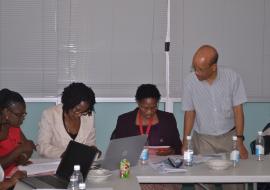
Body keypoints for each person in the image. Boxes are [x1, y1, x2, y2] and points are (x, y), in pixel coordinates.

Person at [181, 45, 248, 190]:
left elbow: (238, 112)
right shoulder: (189, 82)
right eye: (194, 67)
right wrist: (185, 142)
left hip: (230, 138)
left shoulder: (232, 77)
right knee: (204, 184)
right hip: (203, 140)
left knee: (235, 182)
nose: (196, 72)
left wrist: (240, 141)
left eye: (200, 69)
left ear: (213, 67)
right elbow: (190, 113)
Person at [111, 84, 182, 190]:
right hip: (133, 170)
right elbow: (116, 151)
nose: (149, 112)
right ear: (138, 103)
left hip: (162, 173)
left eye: (154, 107)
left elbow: (178, 147)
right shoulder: (124, 120)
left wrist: (171, 151)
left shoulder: (168, 119)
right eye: (145, 108)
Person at [37, 82, 97, 158]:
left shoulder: (89, 116)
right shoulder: (50, 115)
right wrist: (63, 154)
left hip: (80, 164)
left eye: (83, 112)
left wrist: (92, 149)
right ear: (68, 103)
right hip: (56, 163)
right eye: (77, 110)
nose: (79, 115)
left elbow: (90, 143)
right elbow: (42, 146)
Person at [0, 88, 35, 177]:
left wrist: (23, 157)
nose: (22, 118)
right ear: (6, 112)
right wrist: (19, 150)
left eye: (24, 114)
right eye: (18, 115)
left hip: (15, 175)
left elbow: (28, 148)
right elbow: (24, 147)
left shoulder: (14, 127)